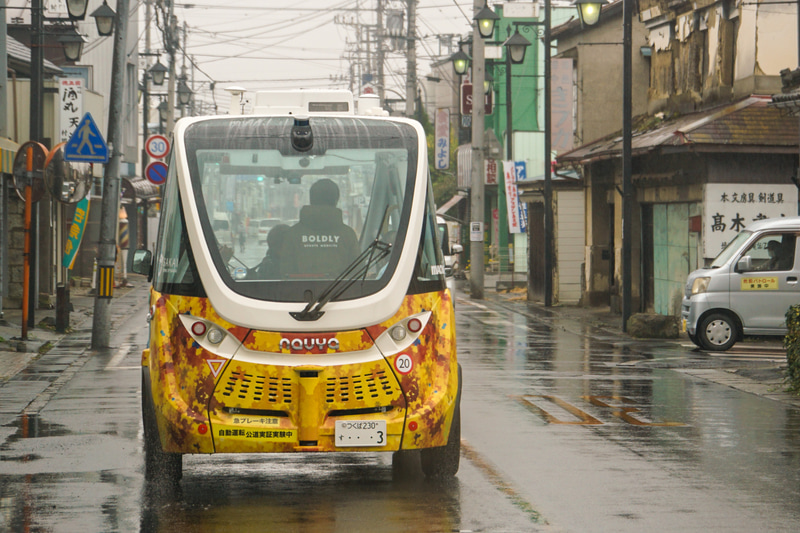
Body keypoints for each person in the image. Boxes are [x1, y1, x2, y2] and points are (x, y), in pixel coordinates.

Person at [280, 178, 359, 277]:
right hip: (341, 292)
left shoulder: (292, 234)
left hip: (298, 292)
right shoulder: (348, 234)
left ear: (311, 199)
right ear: (336, 200)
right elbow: (357, 274)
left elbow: (285, 274)